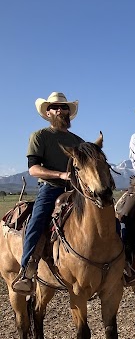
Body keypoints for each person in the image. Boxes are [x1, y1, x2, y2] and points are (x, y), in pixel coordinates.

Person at [12, 92, 84, 294]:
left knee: (108, 216)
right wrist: (61, 175)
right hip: (51, 188)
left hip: (77, 189)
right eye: (55, 107)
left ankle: (120, 265)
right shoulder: (40, 136)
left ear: (69, 112)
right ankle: (27, 270)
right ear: (48, 112)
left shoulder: (78, 140)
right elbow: (33, 169)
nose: (60, 110)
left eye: (64, 107)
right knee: (38, 219)